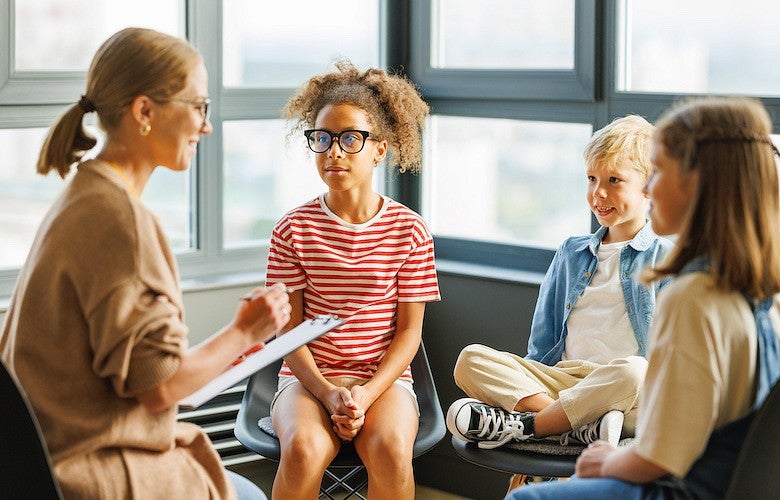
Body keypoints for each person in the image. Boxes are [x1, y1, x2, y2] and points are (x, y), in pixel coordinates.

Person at [0, 28, 291, 500]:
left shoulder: (82, 194)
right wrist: (245, 332)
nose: (207, 125)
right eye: (198, 106)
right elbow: (158, 388)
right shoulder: (124, 223)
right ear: (144, 111)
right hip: (92, 468)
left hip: (42, 461)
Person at [506, 96, 780, 499]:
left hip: (680, 490)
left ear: (696, 184)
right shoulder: (751, 288)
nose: (649, 186)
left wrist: (604, 462)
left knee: (523, 499)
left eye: (660, 171)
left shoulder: (691, 297)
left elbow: (663, 456)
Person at [265, 60, 440, 499]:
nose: (333, 152)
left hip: (383, 382)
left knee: (391, 449)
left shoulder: (411, 230)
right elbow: (290, 335)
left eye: (350, 138)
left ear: (380, 148)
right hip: (307, 380)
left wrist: (365, 394)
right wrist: (326, 392)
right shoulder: (292, 230)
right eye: (322, 138)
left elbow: (409, 333)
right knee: (304, 450)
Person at [448, 115, 673, 451]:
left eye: (614, 180)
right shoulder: (571, 253)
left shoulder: (666, 259)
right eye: (592, 179)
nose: (599, 192)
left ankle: (532, 425)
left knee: (637, 370)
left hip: (623, 392)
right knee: (470, 360)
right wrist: (527, 381)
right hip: (562, 382)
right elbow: (543, 342)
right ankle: (576, 424)